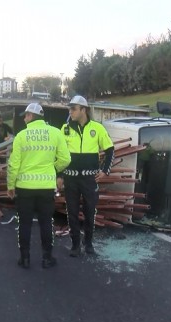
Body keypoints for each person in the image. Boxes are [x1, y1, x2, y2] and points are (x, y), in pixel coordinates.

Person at [7, 103, 70, 269]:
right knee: (46, 223)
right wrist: (51, 168)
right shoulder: (55, 133)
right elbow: (66, 159)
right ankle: (47, 258)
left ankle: (25, 258)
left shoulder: (21, 136)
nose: (24, 118)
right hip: (46, 187)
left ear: (30, 116)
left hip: (24, 187)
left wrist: (11, 185)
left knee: (25, 223)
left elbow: (14, 164)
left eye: (25, 115)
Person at [58, 95, 114, 257]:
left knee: (90, 212)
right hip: (71, 179)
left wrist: (105, 171)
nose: (71, 112)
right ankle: (75, 245)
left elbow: (110, 150)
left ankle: (88, 243)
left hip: (90, 180)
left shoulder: (97, 128)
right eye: (70, 108)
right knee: (72, 213)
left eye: (74, 109)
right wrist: (60, 175)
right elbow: (60, 155)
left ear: (84, 110)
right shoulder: (65, 129)